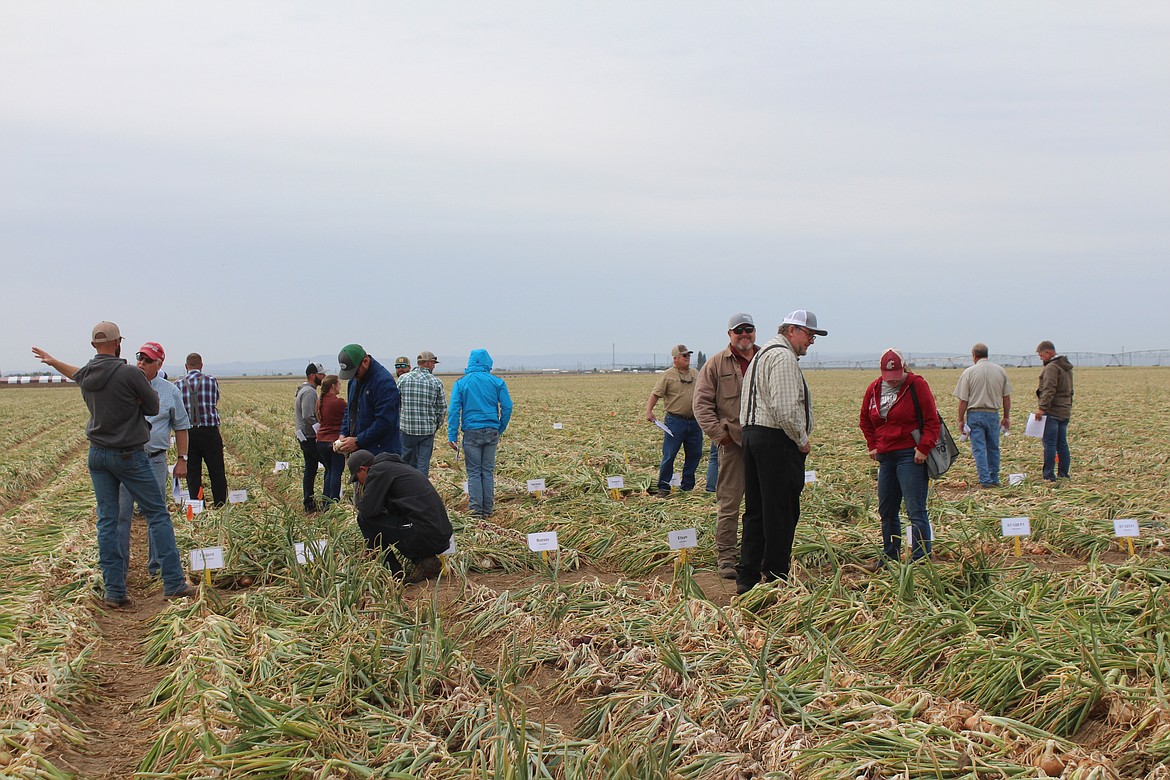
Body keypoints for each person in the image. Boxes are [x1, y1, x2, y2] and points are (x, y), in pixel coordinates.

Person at [32, 322, 194, 606]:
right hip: (129, 454)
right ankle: (173, 582)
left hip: (97, 455)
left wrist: (53, 361)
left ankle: (115, 592)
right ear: (118, 342)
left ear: (94, 345)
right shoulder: (130, 373)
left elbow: (76, 374)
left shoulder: (89, 373)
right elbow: (154, 407)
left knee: (108, 522)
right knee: (157, 515)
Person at [737, 310, 826, 595]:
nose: (811, 341)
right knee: (781, 512)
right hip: (775, 440)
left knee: (756, 510)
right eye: (809, 335)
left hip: (751, 437)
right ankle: (776, 577)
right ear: (792, 331)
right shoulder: (784, 358)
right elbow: (785, 409)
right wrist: (801, 440)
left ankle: (747, 576)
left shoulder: (761, 355)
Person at [693, 313, 761, 579]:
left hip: (764, 444)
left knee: (763, 504)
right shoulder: (715, 365)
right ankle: (726, 559)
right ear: (730, 334)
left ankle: (757, 554)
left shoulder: (766, 358)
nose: (744, 334)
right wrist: (722, 436)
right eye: (739, 330)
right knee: (730, 504)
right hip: (734, 444)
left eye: (749, 330)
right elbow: (701, 405)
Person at [116, 341, 191, 578]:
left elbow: (181, 427)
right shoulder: (123, 386)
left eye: (147, 360)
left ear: (159, 364)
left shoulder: (170, 391)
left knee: (156, 515)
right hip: (126, 459)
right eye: (139, 358)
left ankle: (157, 567)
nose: (141, 363)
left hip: (155, 461)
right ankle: (119, 568)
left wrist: (182, 459)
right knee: (121, 514)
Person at [860, 348, 939, 567]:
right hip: (886, 457)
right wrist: (872, 445)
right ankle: (890, 554)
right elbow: (865, 420)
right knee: (887, 509)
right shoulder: (874, 388)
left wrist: (923, 448)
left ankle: (921, 558)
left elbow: (932, 421)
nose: (892, 381)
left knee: (915, 509)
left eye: (896, 377)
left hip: (910, 456)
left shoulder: (917, 385)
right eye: (888, 377)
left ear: (904, 368)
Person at [348, 449, 453, 583]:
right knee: (392, 519)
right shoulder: (394, 467)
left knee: (364, 519)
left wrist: (372, 546)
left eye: (357, 478)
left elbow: (368, 511)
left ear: (363, 469)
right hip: (438, 533)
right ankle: (424, 562)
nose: (360, 483)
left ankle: (393, 572)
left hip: (425, 534)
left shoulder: (378, 471)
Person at [448, 349, 513, 517]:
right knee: (487, 471)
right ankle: (488, 510)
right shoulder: (497, 382)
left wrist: (452, 435)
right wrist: (500, 427)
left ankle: (476, 512)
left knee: (475, 472)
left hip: (471, 432)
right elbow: (507, 406)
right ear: (488, 363)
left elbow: (454, 410)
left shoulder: (461, 383)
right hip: (492, 431)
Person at [645, 345, 703, 495]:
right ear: (675, 358)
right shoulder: (667, 375)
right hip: (675, 421)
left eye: (688, 355)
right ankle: (663, 487)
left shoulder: (695, 373)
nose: (687, 357)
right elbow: (655, 394)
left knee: (695, 454)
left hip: (694, 421)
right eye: (684, 355)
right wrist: (649, 411)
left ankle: (687, 487)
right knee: (669, 455)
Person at [953, 343, 1012, 488]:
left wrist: (960, 420)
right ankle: (994, 478)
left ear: (974, 355)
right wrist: (1006, 417)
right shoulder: (1000, 371)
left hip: (975, 414)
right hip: (993, 414)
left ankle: (985, 480)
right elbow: (1006, 397)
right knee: (993, 447)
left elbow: (963, 400)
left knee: (979, 448)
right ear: (987, 354)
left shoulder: (969, 372)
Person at [176, 352, 228, 507]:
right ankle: (220, 504)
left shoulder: (178, 384)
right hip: (210, 432)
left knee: (193, 473)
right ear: (201, 365)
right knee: (216, 470)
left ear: (186, 367)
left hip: (188, 433)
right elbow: (215, 399)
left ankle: (198, 506)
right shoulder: (211, 381)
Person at [336, 344, 402, 456]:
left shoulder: (383, 383)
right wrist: (344, 433)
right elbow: (350, 409)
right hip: (360, 451)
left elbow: (385, 422)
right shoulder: (354, 380)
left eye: (355, 372)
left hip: (380, 453)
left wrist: (358, 441)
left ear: (365, 362)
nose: (353, 376)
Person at [398, 350, 447, 477]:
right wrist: (436, 425)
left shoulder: (403, 379)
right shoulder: (436, 382)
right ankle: (420, 491)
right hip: (427, 431)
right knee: (423, 464)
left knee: (404, 461)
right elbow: (442, 408)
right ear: (429, 363)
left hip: (406, 429)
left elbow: (395, 403)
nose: (434, 366)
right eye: (433, 363)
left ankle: (404, 487)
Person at [1034, 340, 1074, 481]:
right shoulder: (1066, 367)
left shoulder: (1052, 367)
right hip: (1065, 410)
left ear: (1048, 352)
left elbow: (1049, 389)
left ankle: (1049, 475)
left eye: (1041, 355)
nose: (1040, 358)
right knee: (1062, 444)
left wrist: (1042, 408)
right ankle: (1063, 474)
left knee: (1050, 445)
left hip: (1053, 411)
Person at [295, 362, 327, 512]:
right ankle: (325, 501)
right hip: (308, 437)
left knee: (311, 468)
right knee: (328, 465)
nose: (324, 376)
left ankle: (309, 502)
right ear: (313, 375)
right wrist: (321, 431)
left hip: (304, 435)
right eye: (321, 374)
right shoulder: (309, 392)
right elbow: (308, 416)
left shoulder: (305, 389)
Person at [315, 375, 347, 504]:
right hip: (334, 442)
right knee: (336, 473)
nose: (340, 386)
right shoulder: (338, 403)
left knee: (328, 471)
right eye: (339, 383)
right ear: (333, 385)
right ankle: (333, 502)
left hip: (321, 441)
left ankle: (325, 503)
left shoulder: (319, 402)